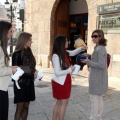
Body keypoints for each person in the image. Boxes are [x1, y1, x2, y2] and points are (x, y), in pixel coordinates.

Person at [51, 35, 86, 120]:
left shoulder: (64, 53)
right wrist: (70, 70)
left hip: (65, 81)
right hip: (60, 82)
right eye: (66, 41)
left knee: (59, 102)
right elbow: (57, 72)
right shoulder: (56, 56)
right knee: (63, 103)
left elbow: (73, 52)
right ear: (61, 43)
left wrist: (81, 48)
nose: (68, 42)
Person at [81, 30, 108, 120]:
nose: (93, 38)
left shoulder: (100, 48)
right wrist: (89, 56)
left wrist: (88, 61)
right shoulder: (98, 47)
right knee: (98, 98)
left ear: (100, 37)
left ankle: (93, 118)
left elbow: (101, 65)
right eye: (92, 36)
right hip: (97, 77)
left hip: (97, 78)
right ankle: (98, 117)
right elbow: (97, 60)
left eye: (95, 36)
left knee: (94, 99)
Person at [12, 32, 37, 120]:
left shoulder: (29, 51)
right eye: (30, 40)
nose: (31, 41)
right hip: (20, 84)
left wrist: (34, 71)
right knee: (20, 107)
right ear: (24, 40)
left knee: (26, 106)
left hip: (29, 83)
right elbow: (15, 72)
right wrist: (31, 75)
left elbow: (30, 67)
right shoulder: (17, 53)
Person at [0, 21, 17, 120]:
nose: (12, 34)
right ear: (4, 32)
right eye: (11, 31)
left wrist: (11, 68)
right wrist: (11, 70)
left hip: (3, 88)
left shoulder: (2, 47)